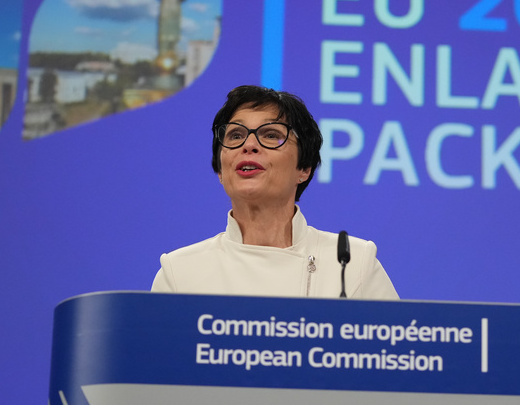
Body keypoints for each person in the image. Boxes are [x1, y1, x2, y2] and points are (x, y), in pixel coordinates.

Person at [151, 85, 398, 299]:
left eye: (271, 135)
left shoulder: (352, 263)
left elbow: (395, 350)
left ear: (304, 168)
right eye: (235, 135)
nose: (249, 145)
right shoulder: (180, 273)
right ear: (220, 170)